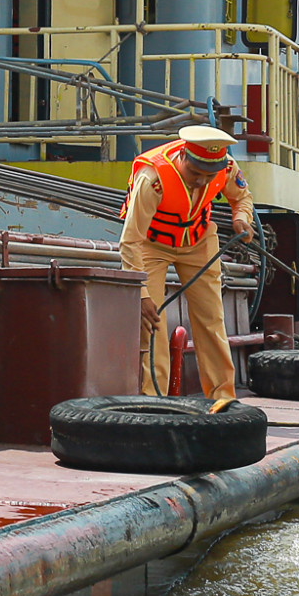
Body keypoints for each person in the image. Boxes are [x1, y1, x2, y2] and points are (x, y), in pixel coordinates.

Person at [118, 126, 256, 405]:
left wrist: (242, 217)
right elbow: (130, 240)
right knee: (152, 322)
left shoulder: (225, 168)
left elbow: (241, 197)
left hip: (199, 241)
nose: (201, 182)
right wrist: (141, 293)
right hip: (151, 244)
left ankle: (222, 398)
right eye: (195, 174)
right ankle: (153, 400)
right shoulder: (153, 177)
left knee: (211, 318)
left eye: (208, 176)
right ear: (183, 155)